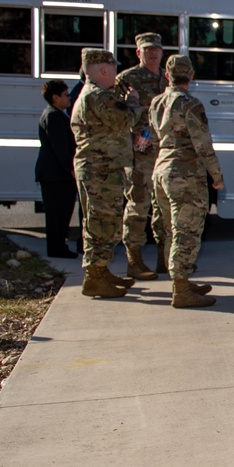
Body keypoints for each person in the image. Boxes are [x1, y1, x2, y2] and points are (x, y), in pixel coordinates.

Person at [149, 55, 225, 309]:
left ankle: (180, 282)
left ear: (167, 75)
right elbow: (203, 145)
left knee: (172, 230)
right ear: (190, 75)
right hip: (185, 174)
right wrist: (216, 176)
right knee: (187, 233)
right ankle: (181, 290)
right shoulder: (190, 104)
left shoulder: (157, 102)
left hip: (161, 170)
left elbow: (150, 136)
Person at [71, 48, 142, 298]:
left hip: (103, 169)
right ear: (103, 70)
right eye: (113, 68)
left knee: (103, 222)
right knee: (101, 223)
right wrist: (133, 99)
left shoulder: (97, 94)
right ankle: (95, 275)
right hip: (99, 170)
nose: (116, 73)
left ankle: (99, 272)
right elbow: (124, 119)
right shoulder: (98, 96)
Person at [115, 32, 169, 279]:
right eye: (148, 50)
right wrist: (136, 133)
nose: (153, 54)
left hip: (165, 152)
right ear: (138, 53)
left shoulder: (167, 78)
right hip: (142, 153)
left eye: (156, 49)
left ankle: (164, 257)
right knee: (138, 205)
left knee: (164, 205)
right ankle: (133, 259)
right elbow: (119, 117)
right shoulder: (127, 79)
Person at [35, 80, 78, 259]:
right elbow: (59, 147)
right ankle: (57, 247)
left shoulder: (57, 115)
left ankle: (59, 245)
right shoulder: (53, 116)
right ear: (55, 97)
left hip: (56, 174)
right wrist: (70, 168)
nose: (69, 98)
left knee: (61, 212)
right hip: (55, 175)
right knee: (57, 213)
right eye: (66, 95)